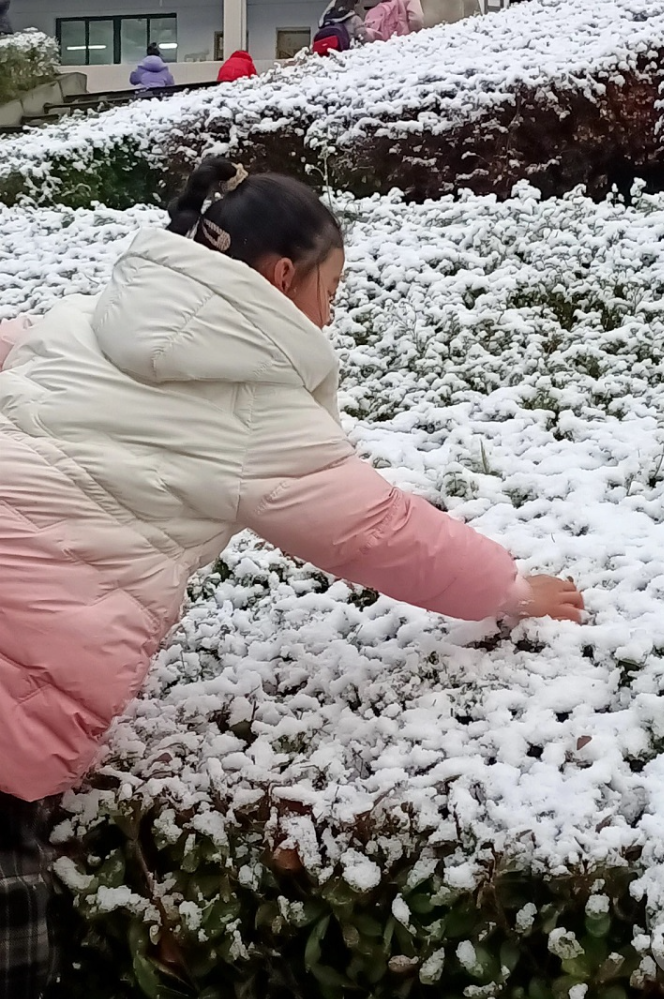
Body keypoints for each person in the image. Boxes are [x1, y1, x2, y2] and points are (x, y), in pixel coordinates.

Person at [0, 157, 583, 994]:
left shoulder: (71, 322)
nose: (332, 310)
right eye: (331, 287)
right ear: (283, 275)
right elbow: (380, 530)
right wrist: (510, 590)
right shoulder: (254, 404)